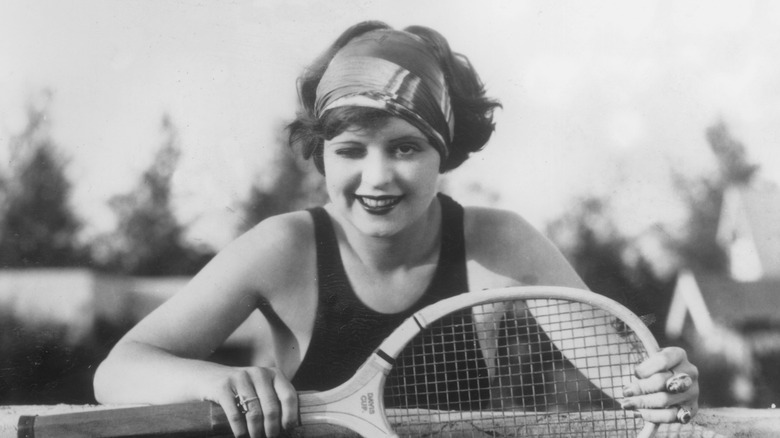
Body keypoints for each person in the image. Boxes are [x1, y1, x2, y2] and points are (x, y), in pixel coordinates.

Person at [94, 21, 699, 438]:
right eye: (351, 149)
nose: (376, 177)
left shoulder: (501, 244)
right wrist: (218, 380)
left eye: (406, 147)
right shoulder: (282, 248)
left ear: (445, 154)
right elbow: (117, 372)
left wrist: (664, 385)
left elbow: (630, 380)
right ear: (321, 154)